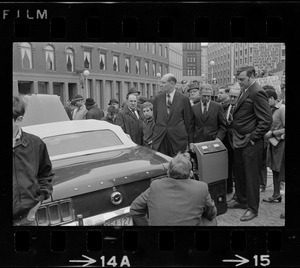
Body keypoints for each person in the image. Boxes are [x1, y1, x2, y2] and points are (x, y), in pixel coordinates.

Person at [228, 66, 272, 222]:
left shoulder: (257, 92)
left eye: (242, 79)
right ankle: (241, 200)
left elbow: (266, 121)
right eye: (238, 79)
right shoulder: (245, 89)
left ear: (252, 76)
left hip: (250, 143)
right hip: (240, 141)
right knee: (239, 172)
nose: (239, 82)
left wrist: (253, 138)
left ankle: (252, 209)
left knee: (251, 176)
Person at [130, 152, 217, 226]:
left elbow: (135, 209)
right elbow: (211, 213)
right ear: (190, 174)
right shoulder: (201, 188)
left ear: (168, 172)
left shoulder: (155, 185)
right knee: (212, 220)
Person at [13, 95, 54, 226]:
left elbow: (45, 176)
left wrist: (34, 209)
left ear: (18, 120)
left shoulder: (36, 144)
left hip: (27, 220)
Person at [152, 73, 193, 157]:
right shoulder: (158, 99)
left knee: (177, 166)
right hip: (161, 139)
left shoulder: (183, 99)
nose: (160, 85)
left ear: (172, 84)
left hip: (177, 141)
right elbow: (156, 118)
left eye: (163, 83)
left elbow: (188, 121)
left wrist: (189, 140)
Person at [262, 89, 285, 205]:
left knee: (281, 170)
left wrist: (273, 133)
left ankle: (278, 193)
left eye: (266, 100)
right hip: (273, 144)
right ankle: (276, 194)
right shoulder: (271, 110)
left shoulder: (282, 109)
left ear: (272, 98)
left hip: (281, 145)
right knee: (275, 169)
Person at [223, 87, 241, 195]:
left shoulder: (242, 108)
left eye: (235, 97)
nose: (232, 98)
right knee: (227, 167)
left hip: (238, 142)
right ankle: (228, 188)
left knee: (238, 169)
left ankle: (239, 193)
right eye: (231, 96)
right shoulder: (224, 107)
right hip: (226, 143)